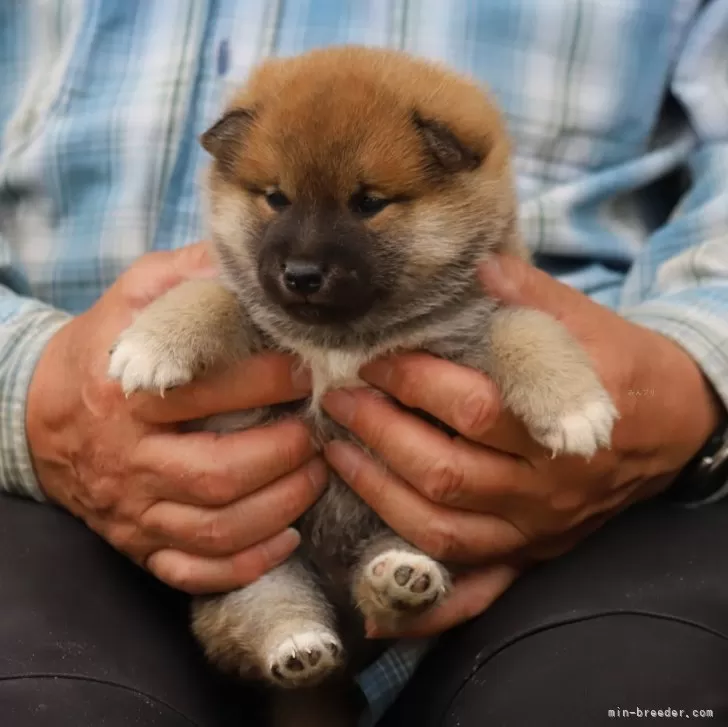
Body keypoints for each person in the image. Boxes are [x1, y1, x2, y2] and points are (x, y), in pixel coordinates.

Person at [2, 1, 728, 725]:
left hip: (588, 512)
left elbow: (512, 333)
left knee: (618, 697)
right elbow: (216, 308)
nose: (306, 254)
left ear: (459, 170)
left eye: (370, 204)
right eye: (275, 200)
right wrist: (24, 385)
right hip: (67, 504)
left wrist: (692, 372)